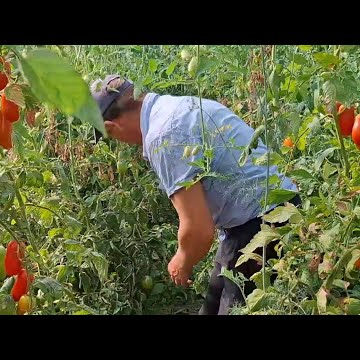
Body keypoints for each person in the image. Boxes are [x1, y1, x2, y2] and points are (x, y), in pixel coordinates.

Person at [90, 74, 300, 315]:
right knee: (211, 306)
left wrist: (182, 260)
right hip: (259, 216)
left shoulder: (163, 136)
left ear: (110, 127)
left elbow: (199, 229)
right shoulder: (175, 107)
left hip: (264, 221)